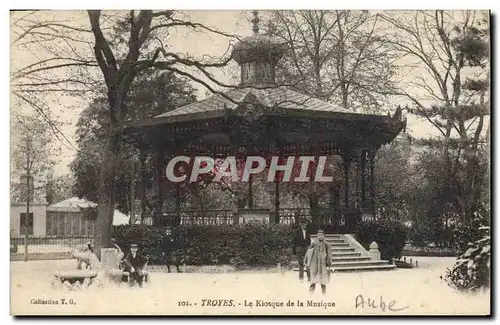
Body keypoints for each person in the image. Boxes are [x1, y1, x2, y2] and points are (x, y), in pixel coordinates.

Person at [308, 230, 332, 295]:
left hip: (323, 265)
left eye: (321, 235)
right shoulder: (314, 243)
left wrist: (328, 264)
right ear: (316, 236)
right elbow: (309, 253)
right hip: (315, 265)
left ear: (324, 236)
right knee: (313, 280)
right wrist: (308, 262)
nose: (320, 236)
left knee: (323, 280)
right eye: (318, 235)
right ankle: (310, 294)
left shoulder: (327, 244)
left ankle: (324, 294)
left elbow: (329, 255)